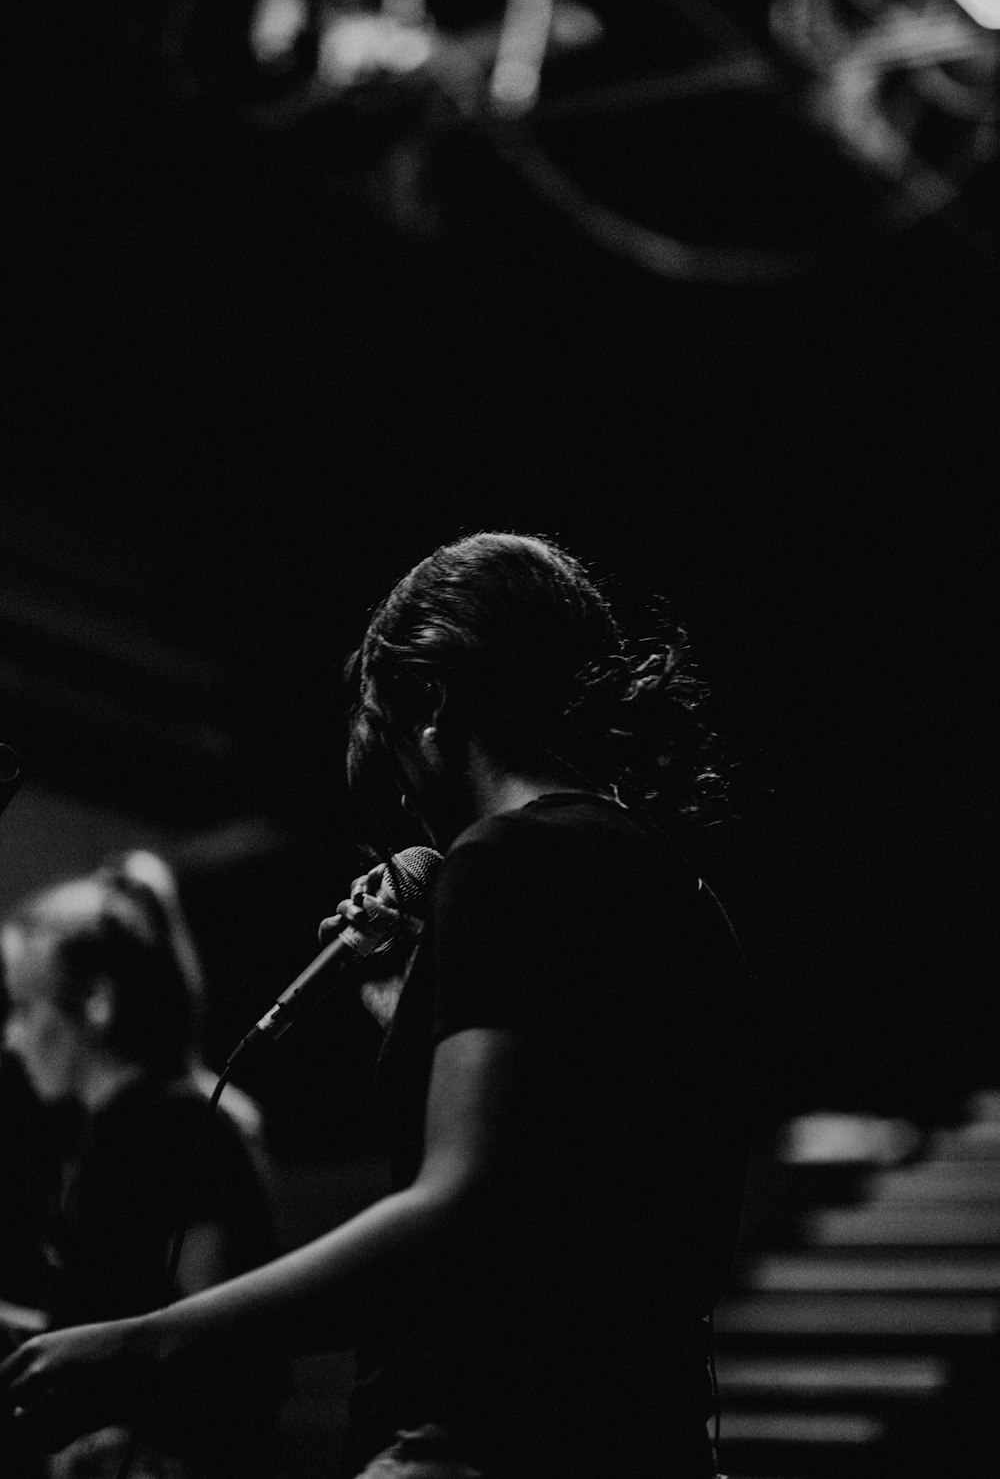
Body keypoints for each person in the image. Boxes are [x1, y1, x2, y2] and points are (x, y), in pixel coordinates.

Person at [1, 532, 758, 1478]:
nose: (402, 796)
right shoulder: (676, 888)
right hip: (648, 1438)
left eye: (390, 742)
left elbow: (461, 1212)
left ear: (433, 700)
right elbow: (574, 1197)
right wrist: (407, 1005)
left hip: (481, 1440)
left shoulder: (506, 860)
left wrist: (148, 1341)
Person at [0, 850, 282, 1479]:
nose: (11, 1037)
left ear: (96, 1002)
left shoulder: (189, 1126)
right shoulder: (103, 1133)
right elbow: (89, 1328)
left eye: (23, 1007)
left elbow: (218, 1341)